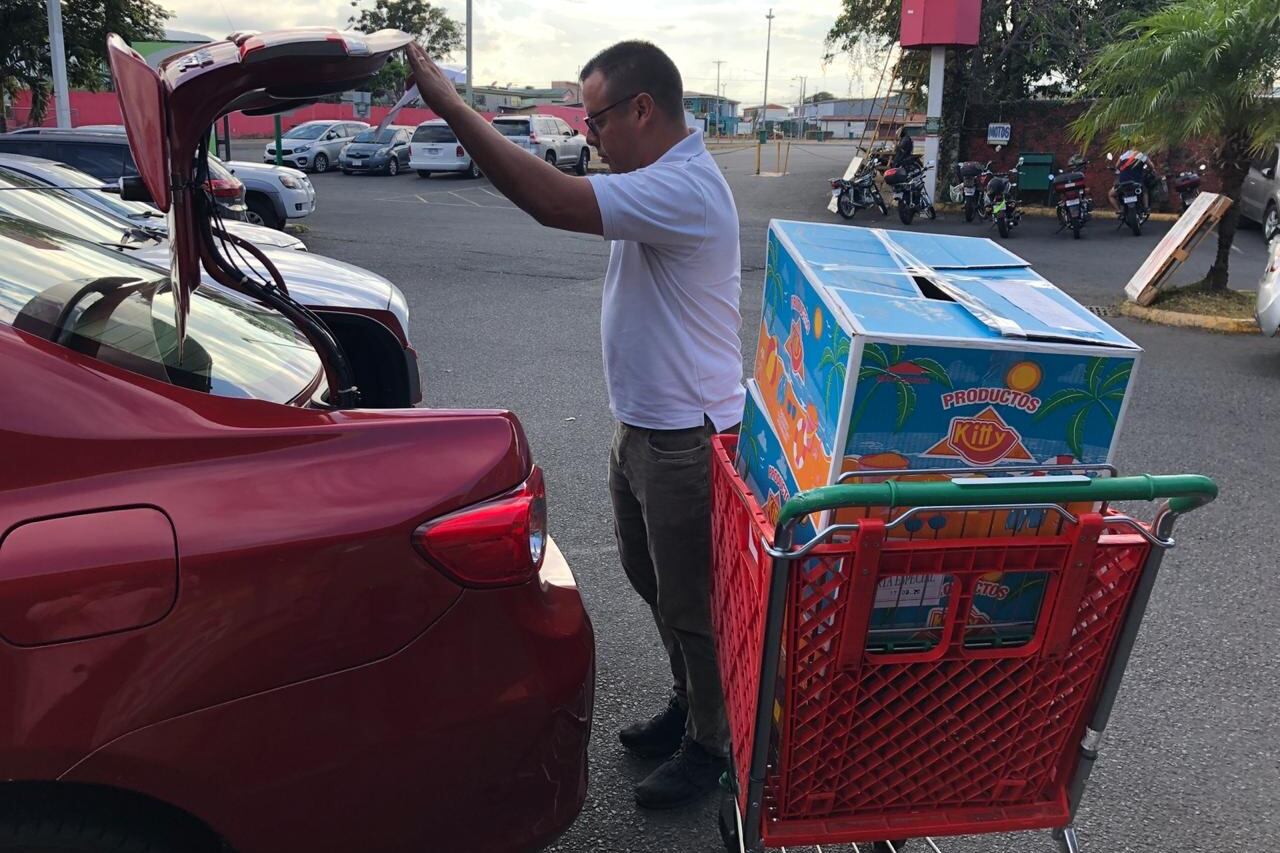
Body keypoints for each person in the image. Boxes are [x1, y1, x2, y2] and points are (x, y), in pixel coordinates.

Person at [406, 40, 745, 810]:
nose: (587, 134)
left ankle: (712, 745)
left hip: (684, 439)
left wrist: (454, 108)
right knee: (650, 577)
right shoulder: (652, 176)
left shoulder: (683, 188)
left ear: (642, 110)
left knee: (693, 600)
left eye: (594, 120)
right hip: (646, 426)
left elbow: (551, 200)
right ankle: (691, 702)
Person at [1109, 148, 1151, 213]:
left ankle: (1118, 210)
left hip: (1123, 182)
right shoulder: (1142, 156)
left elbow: (1116, 166)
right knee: (1145, 191)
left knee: (1111, 195)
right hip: (1137, 181)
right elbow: (1152, 166)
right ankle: (1146, 208)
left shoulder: (1123, 155)